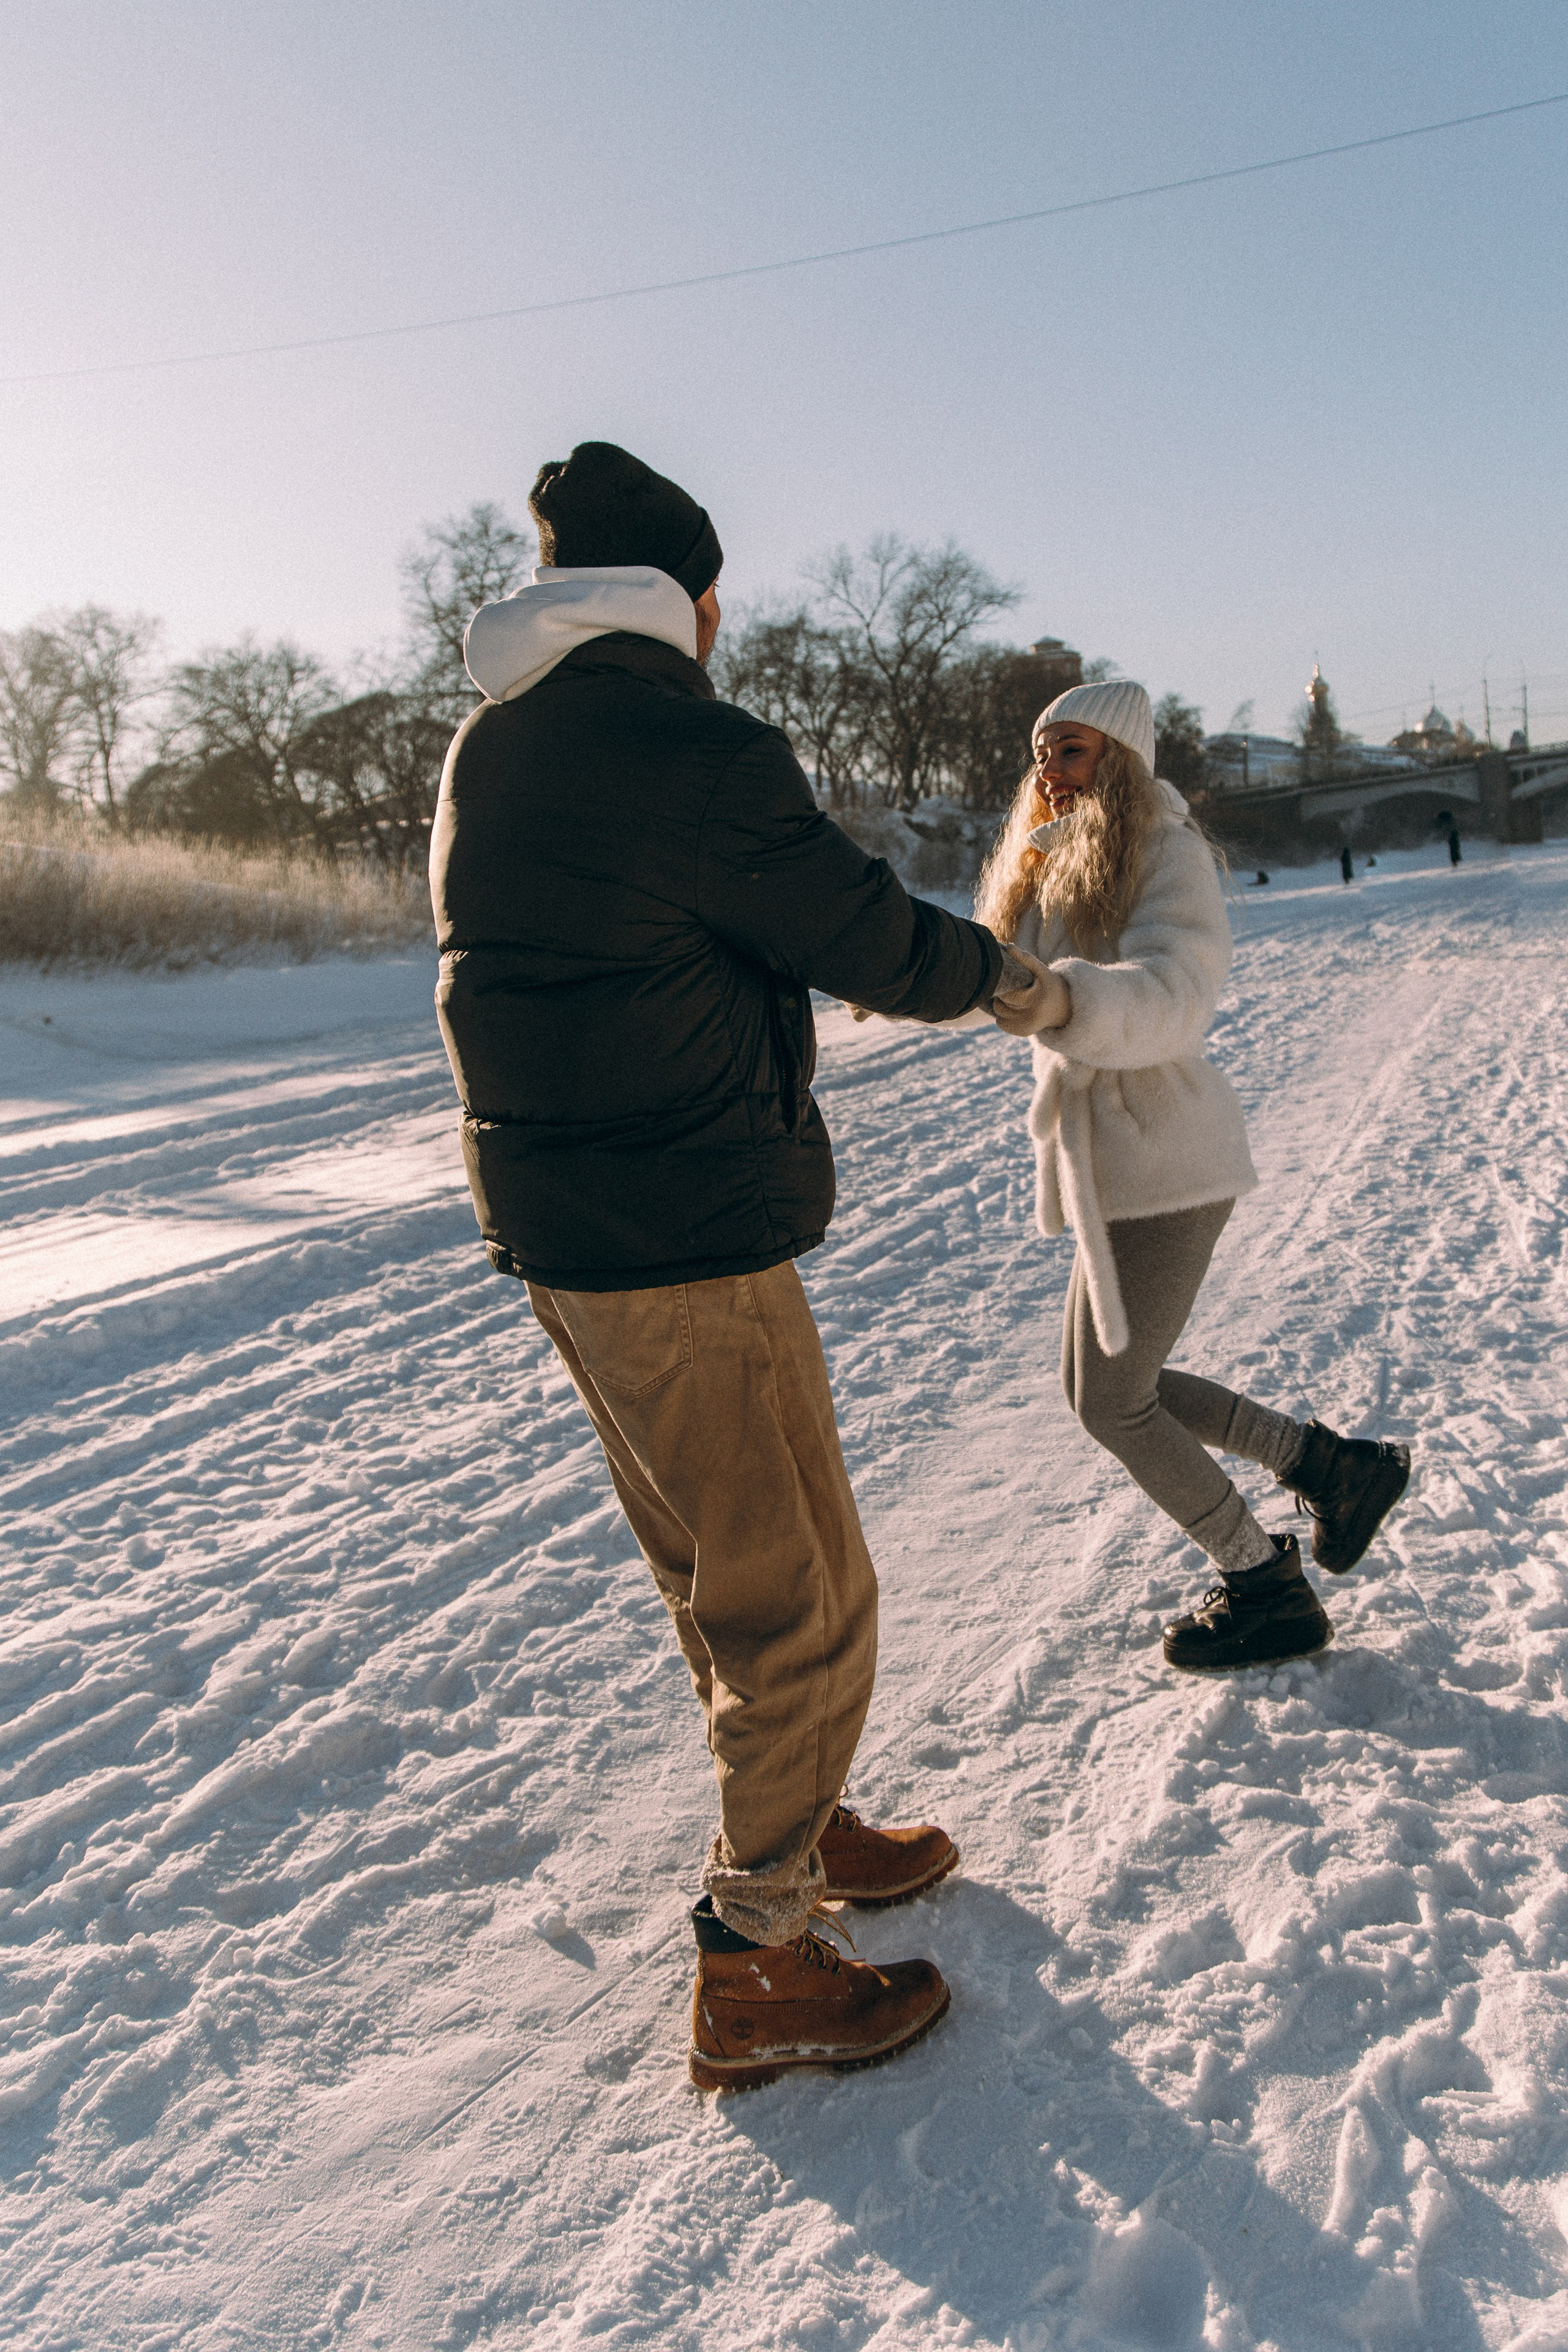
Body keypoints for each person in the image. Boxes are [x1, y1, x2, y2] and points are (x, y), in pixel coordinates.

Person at [429, 442, 1031, 2090]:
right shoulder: (687, 744)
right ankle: (759, 1954)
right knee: (807, 1598)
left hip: (573, 1242)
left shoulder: (499, 743)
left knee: (723, 1575)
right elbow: (865, 935)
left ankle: (802, 1816)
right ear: (688, 600)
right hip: (682, 1237)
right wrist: (1010, 976)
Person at [974, 682, 1411, 1671]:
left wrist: (1056, 996)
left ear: (1122, 758)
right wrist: (911, 973)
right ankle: (1330, 1468)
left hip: (1169, 1158)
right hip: (1110, 1167)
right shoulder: (1052, 857)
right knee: (1111, 1385)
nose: (1052, 768)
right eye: (1044, 751)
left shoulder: (1164, 851)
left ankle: (1266, 1584)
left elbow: (1175, 995)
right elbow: (1004, 983)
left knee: (1109, 1398)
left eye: (1074, 750)